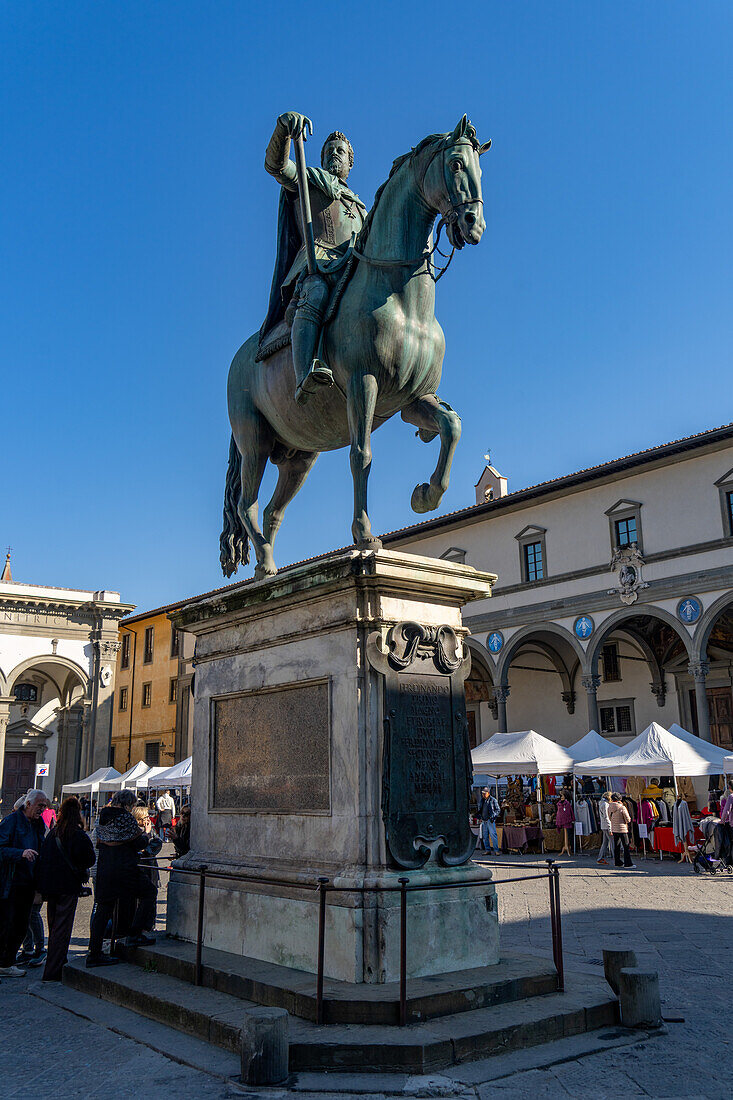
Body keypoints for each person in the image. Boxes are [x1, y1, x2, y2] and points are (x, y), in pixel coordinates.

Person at [261, 111, 367, 404]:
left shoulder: (361, 208)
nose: (335, 154)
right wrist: (283, 130)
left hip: (352, 267)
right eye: (329, 150)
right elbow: (277, 166)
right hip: (318, 262)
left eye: (340, 151)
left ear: (350, 161)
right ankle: (305, 373)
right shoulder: (310, 178)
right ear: (321, 158)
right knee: (316, 291)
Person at [87, 789, 155, 967]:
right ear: (126, 804)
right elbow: (139, 842)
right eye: (131, 805)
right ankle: (134, 933)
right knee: (149, 892)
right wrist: (146, 834)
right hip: (124, 869)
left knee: (103, 910)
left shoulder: (103, 816)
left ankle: (94, 952)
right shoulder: (124, 817)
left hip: (105, 868)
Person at [35, 796, 95, 981]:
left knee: (54, 926)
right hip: (68, 887)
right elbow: (90, 859)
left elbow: (43, 859)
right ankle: (53, 970)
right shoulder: (77, 835)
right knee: (62, 927)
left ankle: (56, 963)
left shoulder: (53, 833)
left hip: (51, 887)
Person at [0, 788, 48, 976]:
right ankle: (3, 962)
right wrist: (20, 853)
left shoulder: (37, 824)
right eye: (40, 806)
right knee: (7, 924)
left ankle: (7, 962)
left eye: (44, 806)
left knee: (20, 925)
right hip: (10, 882)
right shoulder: (11, 821)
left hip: (28, 883)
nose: (42, 810)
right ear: (28, 804)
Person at [132, 805, 162, 934]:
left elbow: (157, 843)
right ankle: (139, 926)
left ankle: (150, 924)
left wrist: (147, 848)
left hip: (150, 865)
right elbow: (138, 847)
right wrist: (146, 836)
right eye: (145, 817)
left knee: (152, 893)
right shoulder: (136, 831)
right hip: (140, 866)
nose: (148, 819)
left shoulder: (150, 829)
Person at [608, 793, 635, 868]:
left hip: (614, 828)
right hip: (622, 829)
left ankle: (617, 862)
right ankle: (628, 863)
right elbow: (628, 819)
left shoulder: (610, 807)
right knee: (626, 846)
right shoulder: (622, 807)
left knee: (616, 846)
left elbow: (609, 817)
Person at [478, 787, 500, 853]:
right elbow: (480, 810)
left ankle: (496, 850)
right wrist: (480, 817)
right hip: (484, 820)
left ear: (488, 793)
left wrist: (492, 817)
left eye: (484, 793)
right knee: (485, 836)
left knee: (493, 836)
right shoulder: (482, 800)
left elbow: (498, 810)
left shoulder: (493, 800)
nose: (483, 795)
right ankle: (487, 850)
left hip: (490, 820)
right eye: (482, 793)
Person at [596, 792, 614, 865]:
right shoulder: (605, 805)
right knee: (612, 842)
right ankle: (615, 857)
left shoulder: (601, 803)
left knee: (605, 842)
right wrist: (610, 828)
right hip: (606, 826)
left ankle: (600, 858)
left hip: (604, 826)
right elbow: (607, 817)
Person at [555, 791, 574, 856]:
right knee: (565, 833)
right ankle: (565, 846)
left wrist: (571, 818)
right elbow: (559, 813)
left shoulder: (567, 804)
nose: (562, 797)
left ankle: (567, 846)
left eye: (563, 796)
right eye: (561, 796)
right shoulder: (559, 804)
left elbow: (570, 812)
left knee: (567, 833)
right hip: (561, 820)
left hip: (567, 820)